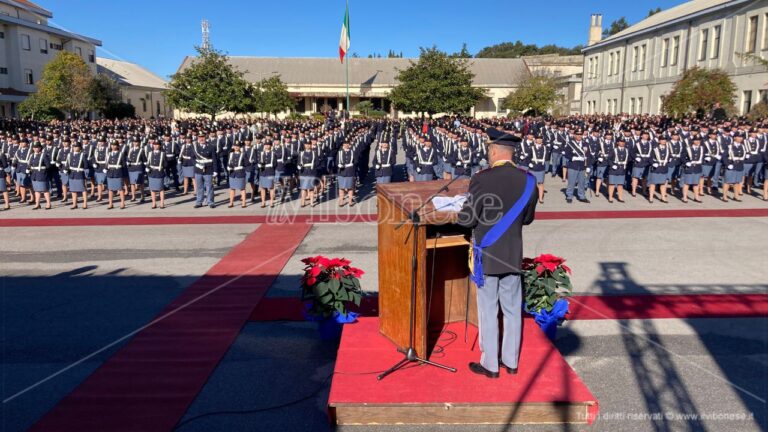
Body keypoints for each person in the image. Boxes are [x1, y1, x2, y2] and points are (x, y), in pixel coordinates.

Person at [456, 128, 537, 379]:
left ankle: (490, 364)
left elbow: (467, 219)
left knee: (488, 310)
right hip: (512, 253)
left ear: (493, 151)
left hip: (488, 255)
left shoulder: (483, 178)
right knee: (513, 309)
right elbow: (527, 219)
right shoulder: (529, 180)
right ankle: (511, 362)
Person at [563, 130, 591, 203]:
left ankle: (581, 196)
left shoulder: (586, 144)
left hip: (582, 166)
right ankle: (569, 196)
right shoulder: (571, 143)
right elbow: (566, 154)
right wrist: (573, 158)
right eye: (577, 134)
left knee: (582, 182)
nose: (579, 136)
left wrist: (588, 166)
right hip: (573, 165)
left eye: (580, 134)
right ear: (574, 135)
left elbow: (588, 155)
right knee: (571, 182)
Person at [194, 132, 218, 209]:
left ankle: (210, 202)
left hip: (208, 169)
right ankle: (199, 202)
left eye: (203, 137)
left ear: (206, 137)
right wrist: (196, 164)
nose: (201, 139)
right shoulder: (195, 147)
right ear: (198, 138)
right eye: (200, 137)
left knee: (209, 187)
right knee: (199, 187)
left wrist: (215, 170)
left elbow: (214, 159)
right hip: (198, 169)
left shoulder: (211, 146)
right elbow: (191, 157)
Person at [722, 133, 746, 202]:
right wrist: (727, 164)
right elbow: (724, 157)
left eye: (741, 137)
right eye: (739, 137)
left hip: (739, 166)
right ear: (734, 138)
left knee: (737, 182)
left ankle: (736, 196)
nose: (740, 138)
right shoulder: (729, 146)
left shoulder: (743, 146)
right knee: (727, 182)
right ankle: (724, 196)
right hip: (731, 165)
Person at [28, 142, 52, 210]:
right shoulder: (32, 155)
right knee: (36, 190)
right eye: (34, 147)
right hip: (34, 175)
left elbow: (48, 166)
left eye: (37, 147)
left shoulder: (44, 155)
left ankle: (48, 203)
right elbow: (29, 164)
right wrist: (28, 168)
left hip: (41, 174)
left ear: (40, 148)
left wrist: (42, 170)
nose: (36, 149)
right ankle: (37, 204)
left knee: (45, 190)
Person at [681, 137, 704, 203]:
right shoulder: (687, 148)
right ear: (693, 141)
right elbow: (682, 157)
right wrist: (686, 162)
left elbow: (703, 157)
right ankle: (684, 197)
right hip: (689, 168)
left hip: (697, 167)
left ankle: (696, 197)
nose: (697, 141)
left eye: (698, 140)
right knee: (687, 183)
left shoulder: (701, 148)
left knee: (696, 183)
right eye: (696, 140)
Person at [648, 137, 670, 203]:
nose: (663, 141)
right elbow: (650, 158)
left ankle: (663, 197)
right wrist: (653, 163)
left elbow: (669, 157)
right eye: (662, 140)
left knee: (663, 184)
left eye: (664, 140)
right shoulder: (655, 149)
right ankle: (651, 197)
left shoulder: (668, 149)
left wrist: (669, 161)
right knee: (653, 183)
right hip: (656, 168)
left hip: (664, 168)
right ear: (659, 141)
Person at [607, 138, 630, 203]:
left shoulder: (626, 150)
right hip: (614, 169)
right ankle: (610, 198)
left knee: (620, 184)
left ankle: (620, 197)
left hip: (622, 169)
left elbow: (628, 159)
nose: (622, 143)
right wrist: (612, 165)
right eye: (620, 141)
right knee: (612, 184)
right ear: (617, 143)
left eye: (623, 142)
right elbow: (609, 159)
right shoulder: (613, 150)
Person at [105, 140, 126, 209]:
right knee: (110, 189)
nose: (113, 146)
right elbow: (107, 163)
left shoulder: (121, 154)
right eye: (112, 145)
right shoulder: (109, 154)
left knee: (120, 189)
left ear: (117, 146)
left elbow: (123, 165)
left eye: (114, 145)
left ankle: (122, 202)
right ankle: (110, 203)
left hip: (118, 172)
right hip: (110, 173)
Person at [67, 141, 88, 209]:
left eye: (77, 147)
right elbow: (67, 164)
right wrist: (66, 169)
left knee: (83, 189)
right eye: (74, 147)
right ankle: (74, 204)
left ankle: (85, 203)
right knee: (73, 190)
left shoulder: (82, 155)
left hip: (79, 173)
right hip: (72, 174)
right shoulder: (70, 154)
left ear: (80, 148)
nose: (75, 148)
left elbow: (86, 165)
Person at [147, 140, 166, 209]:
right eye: (154, 144)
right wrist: (147, 168)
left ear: (160, 146)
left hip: (159, 172)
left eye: (157, 144)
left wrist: (161, 167)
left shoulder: (162, 154)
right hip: (152, 172)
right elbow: (148, 162)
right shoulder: (150, 153)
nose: (155, 146)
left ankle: (162, 202)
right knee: (152, 189)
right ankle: (154, 202)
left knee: (160, 188)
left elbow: (165, 164)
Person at [527, 135, 547, 204]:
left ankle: (540, 198)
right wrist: (529, 163)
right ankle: (530, 198)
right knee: (532, 183)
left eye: (541, 139)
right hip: (533, 167)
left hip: (541, 167)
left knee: (540, 183)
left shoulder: (544, 148)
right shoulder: (531, 148)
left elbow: (547, 157)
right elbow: (528, 157)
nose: (539, 140)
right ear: (535, 140)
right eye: (538, 139)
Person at [336, 141, 356, 207]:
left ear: (349, 145)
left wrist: (351, 165)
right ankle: (341, 200)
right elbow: (337, 161)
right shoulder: (340, 152)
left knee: (350, 187)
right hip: (342, 171)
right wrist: (339, 165)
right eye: (345, 144)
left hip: (350, 171)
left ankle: (350, 201)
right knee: (341, 187)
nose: (346, 145)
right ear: (343, 145)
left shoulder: (352, 152)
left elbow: (355, 161)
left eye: (347, 143)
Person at [299, 141, 318, 207]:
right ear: (304, 145)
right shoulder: (301, 153)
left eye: (309, 144)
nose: (307, 145)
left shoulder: (314, 153)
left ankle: (311, 202)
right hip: (303, 172)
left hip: (311, 172)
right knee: (303, 188)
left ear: (310, 145)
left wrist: (313, 167)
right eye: (306, 144)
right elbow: (298, 162)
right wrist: (299, 166)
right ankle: (302, 202)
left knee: (311, 188)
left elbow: (317, 162)